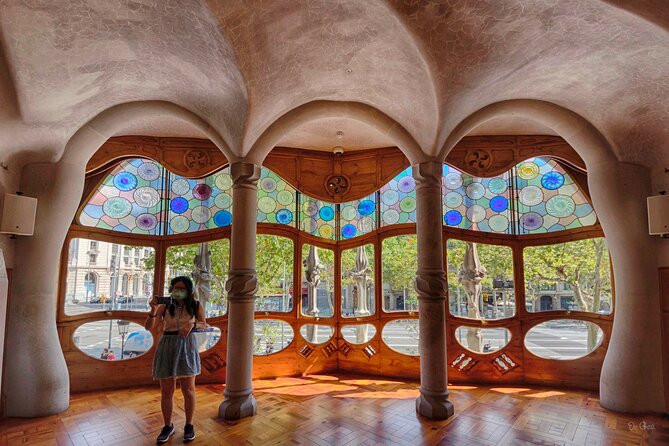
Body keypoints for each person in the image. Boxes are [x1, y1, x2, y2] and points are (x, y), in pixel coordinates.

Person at [145, 276, 206, 443]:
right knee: (166, 391)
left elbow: (204, 324)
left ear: (189, 291)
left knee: (189, 389)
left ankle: (189, 424)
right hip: (167, 345)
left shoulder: (195, 305)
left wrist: (192, 325)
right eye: (175, 287)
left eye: (182, 288)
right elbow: (148, 326)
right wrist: (153, 309)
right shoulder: (165, 306)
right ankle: (167, 425)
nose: (178, 291)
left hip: (187, 346)